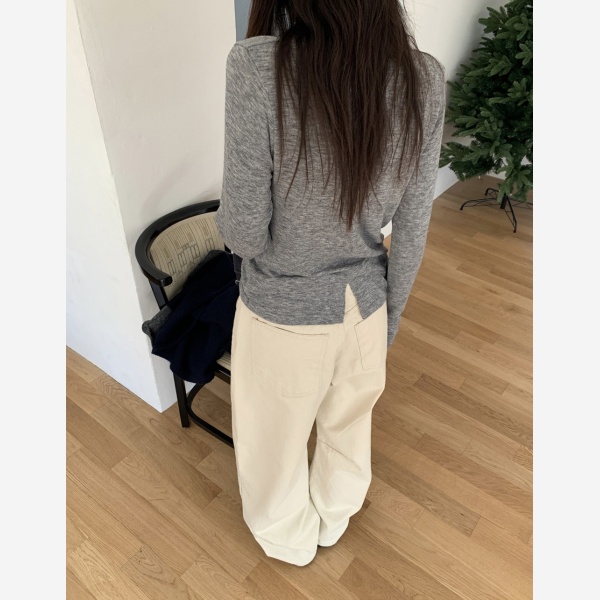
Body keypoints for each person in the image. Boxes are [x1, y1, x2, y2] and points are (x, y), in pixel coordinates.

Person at [215, 0, 445, 567]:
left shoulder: (257, 66)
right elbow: (413, 228)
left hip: (282, 312)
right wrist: (388, 317)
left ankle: (289, 540)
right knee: (348, 424)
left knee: (273, 442)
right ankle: (335, 514)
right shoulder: (424, 78)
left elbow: (243, 235)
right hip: (364, 306)